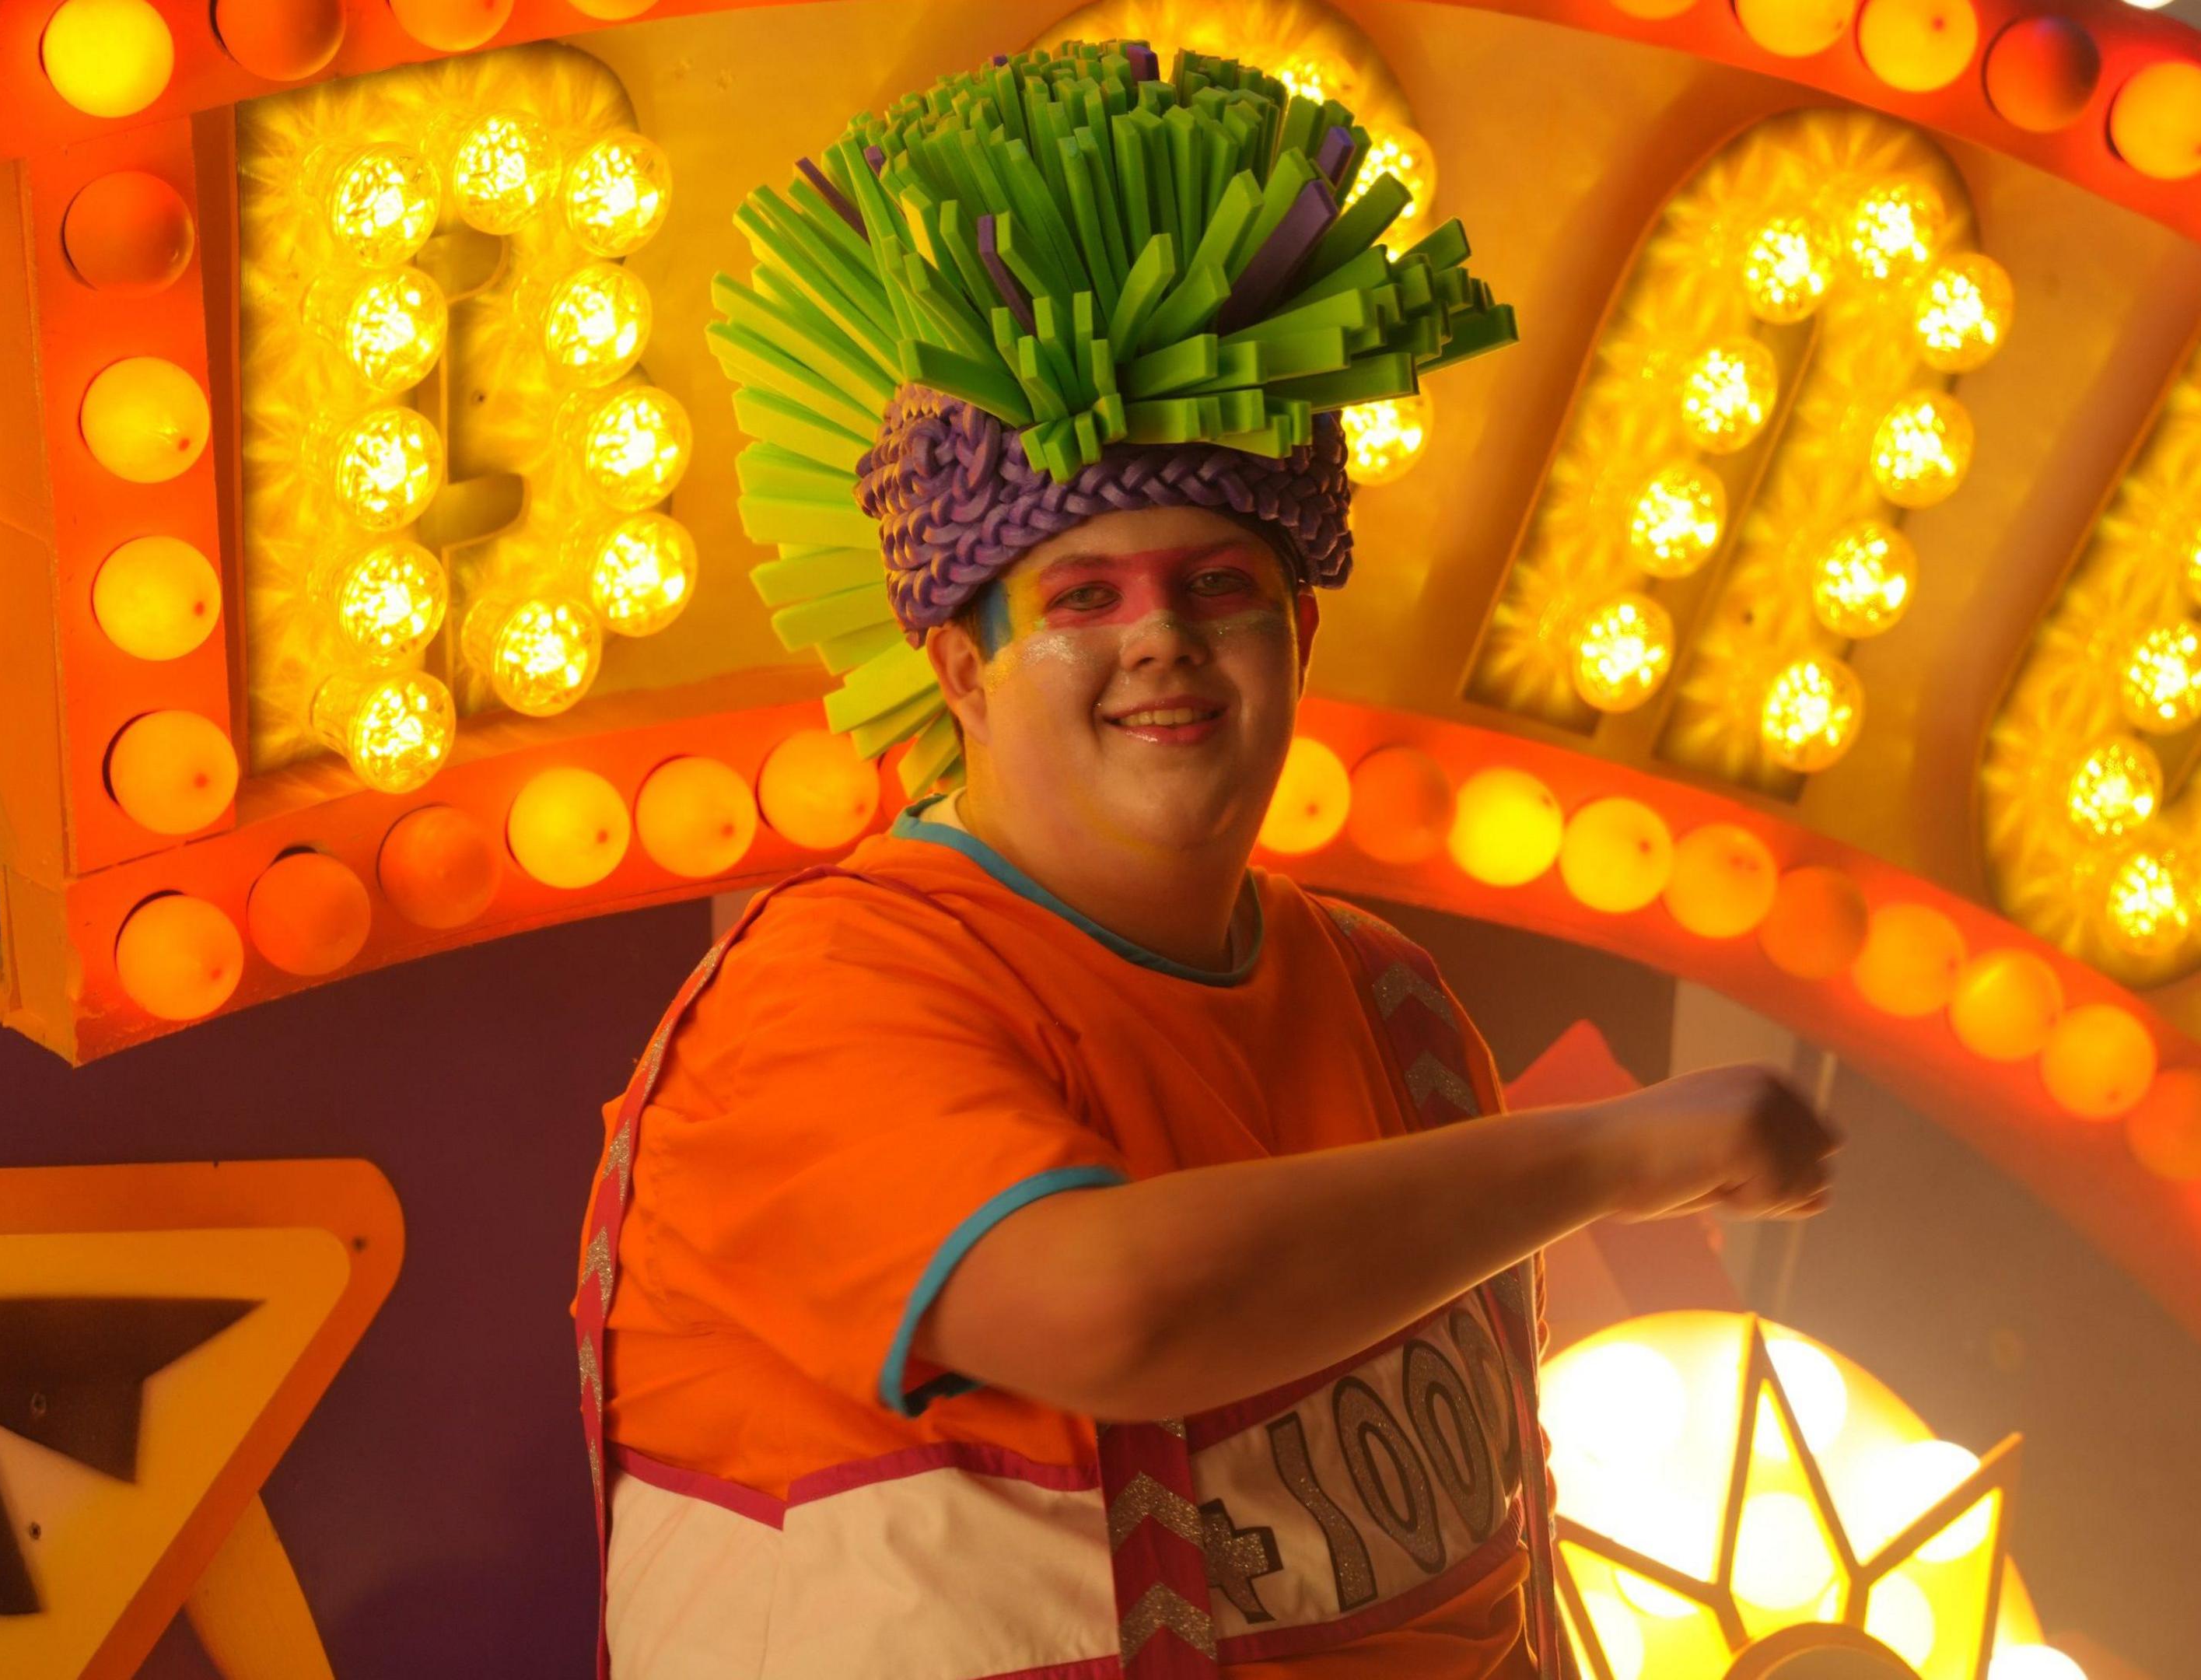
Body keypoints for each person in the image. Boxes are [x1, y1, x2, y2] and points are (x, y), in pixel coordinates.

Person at [574, 43, 1837, 1680]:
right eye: (1081, 598)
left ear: (1297, 632)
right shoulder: (827, 991)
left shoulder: (1392, 1004)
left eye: (1216, 587)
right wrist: (1619, 1156)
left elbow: (1471, 1575)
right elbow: (1111, 1317)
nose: (1159, 639)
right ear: (961, 672)